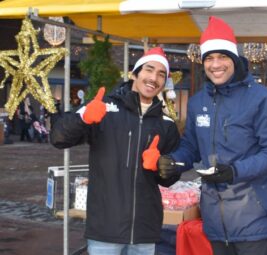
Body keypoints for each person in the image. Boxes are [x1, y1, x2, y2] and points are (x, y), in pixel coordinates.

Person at [157, 16, 267, 255]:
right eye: (209, 58)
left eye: (222, 57)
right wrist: (174, 162)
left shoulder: (262, 99)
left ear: (235, 60)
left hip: (254, 219)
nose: (215, 64)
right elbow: (191, 146)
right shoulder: (198, 102)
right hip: (215, 220)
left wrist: (234, 171)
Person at [50, 47, 181, 255]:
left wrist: (162, 166)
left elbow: (170, 178)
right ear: (134, 74)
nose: (154, 78)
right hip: (105, 229)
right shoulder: (104, 108)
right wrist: (82, 118)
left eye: (161, 74)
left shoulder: (166, 125)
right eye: (149, 70)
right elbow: (58, 138)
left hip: (144, 232)